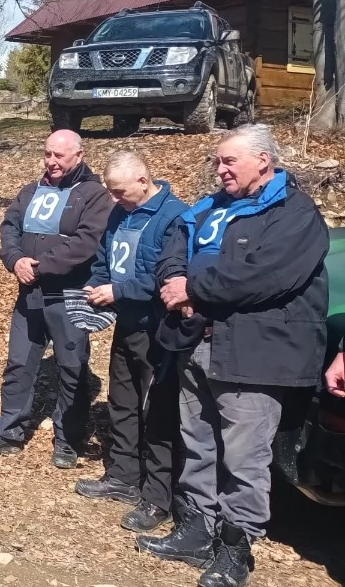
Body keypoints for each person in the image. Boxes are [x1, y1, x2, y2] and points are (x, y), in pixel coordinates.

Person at [138, 125, 328, 587]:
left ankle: (234, 549)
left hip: (253, 351)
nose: (219, 170)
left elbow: (262, 278)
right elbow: (173, 249)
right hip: (195, 340)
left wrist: (193, 289)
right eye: (217, 162)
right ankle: (196, 529)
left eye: (229, 162)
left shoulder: (294, 215)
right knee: (197, 443)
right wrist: (175, 283)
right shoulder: (208, 208)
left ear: (263, 160)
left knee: (243, 457)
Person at [0, 129, 113, 468]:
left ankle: (68, 439)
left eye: (58, 156)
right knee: (19, 362)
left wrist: (41, 266)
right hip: (29, 293)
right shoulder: (31, 190)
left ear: (78, 155)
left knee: (72, 368)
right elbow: (9, 226)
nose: (51, 162)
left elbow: (86, 242)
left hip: (70, 295)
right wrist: (15, 259)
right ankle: (8, 432)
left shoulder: (94, 195)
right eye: (47, 154)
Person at [75, 151, 188, 533]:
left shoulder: (173, 217)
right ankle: (123, 475)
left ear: (143, 181)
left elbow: (167, 279)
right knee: (121, 402)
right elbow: (103, 258)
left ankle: (158, 497)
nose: (114, 199)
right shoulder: (119, 213)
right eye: (110, 192)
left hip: (157, 329)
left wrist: (119, 290)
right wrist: (96, 283)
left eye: (120, 192)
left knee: (156, 412)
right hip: (125, 324)